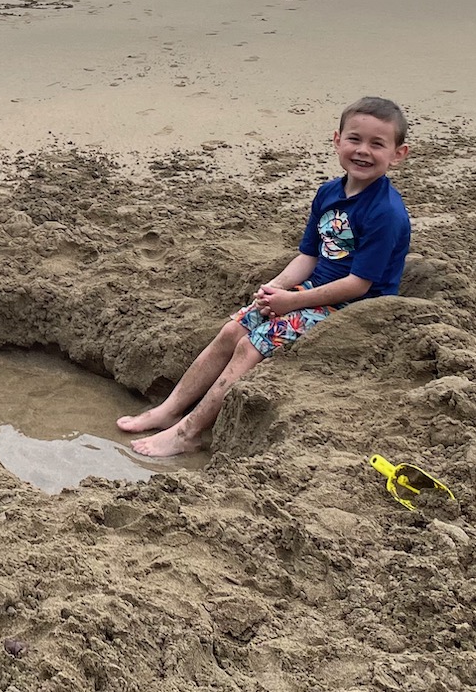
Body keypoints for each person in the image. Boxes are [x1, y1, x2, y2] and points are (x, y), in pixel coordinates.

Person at [119, 98, 413, 457]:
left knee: (250, 345)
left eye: (377, 144)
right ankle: (169, 409)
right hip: (313, 290)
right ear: (337, 140)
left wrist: (293, 301)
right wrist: (276, 287)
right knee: (232, 331)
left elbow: (359, 284)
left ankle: (188, 432)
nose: (363, 151)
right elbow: (309, 255)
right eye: (355, 139)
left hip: (356, 307)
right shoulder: (328, 194)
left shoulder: (385, 212)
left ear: (398, 154)